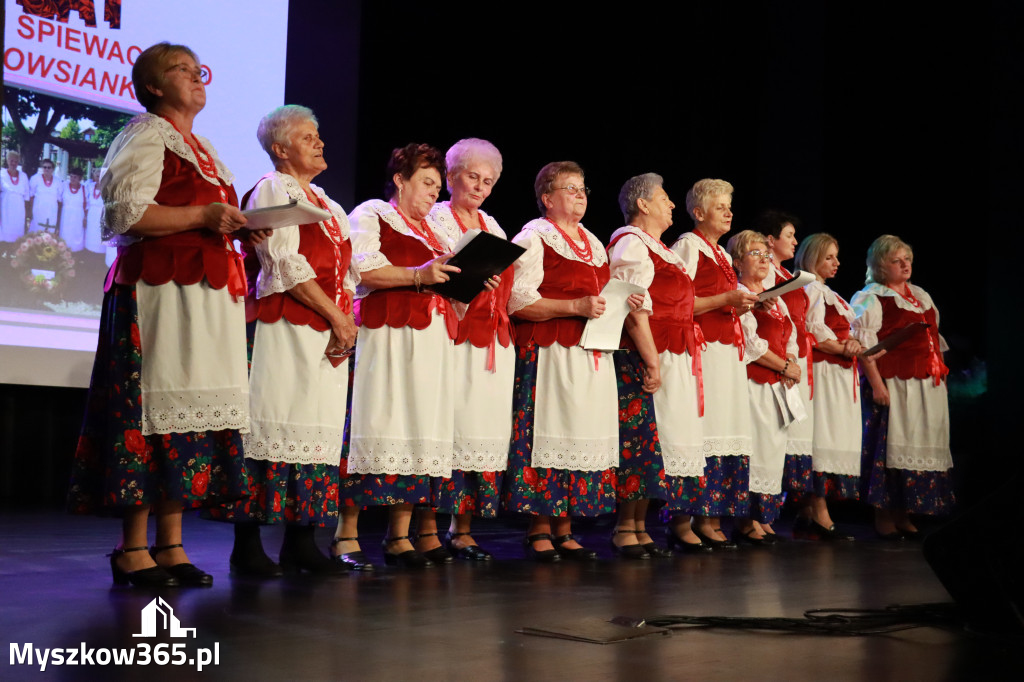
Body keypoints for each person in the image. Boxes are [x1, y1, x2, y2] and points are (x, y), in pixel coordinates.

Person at [68, 42, 253, 588]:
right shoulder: (145, 133)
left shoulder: (204, 148)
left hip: (205, 297)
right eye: (182, 70)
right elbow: (125, 215)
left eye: (200, 70)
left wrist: (244, 229)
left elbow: (209, 217)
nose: (197, 77)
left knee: (190, 415)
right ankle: (132, 548)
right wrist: (204, 214)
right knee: (151, 410)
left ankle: (171, 544)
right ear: (152, 85)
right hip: (159, 292)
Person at [210, 105, 357, 575]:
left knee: (314, 429)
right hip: (283, 326)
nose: (320, 142)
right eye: (308, 137)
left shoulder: (329, 204)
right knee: (270, 424)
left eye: (318, 135)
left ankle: (301, 541)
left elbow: (348, 270)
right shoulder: (274, 187)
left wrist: (345, 319)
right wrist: (337, 316)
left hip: (323, 331)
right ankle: (247, 545)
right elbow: (284, 263)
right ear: (280, 149)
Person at [331, 143, 459, 569]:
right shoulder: (373, 213)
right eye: (426, 182)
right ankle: (345, 535)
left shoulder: (436, 231)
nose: (434, 193)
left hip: (430, 342)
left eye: (438, 186)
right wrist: (418, 274)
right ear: (400, 181)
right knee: (375, 423)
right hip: (386, 336)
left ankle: (398, 535)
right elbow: (362, 270)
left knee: (417, 432)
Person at [505, 161, 631, 562]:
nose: (580, 195)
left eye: (582, 188)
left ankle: (565, 527)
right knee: (549, 435)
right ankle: (539, 528)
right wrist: (574, 306)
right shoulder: (534, 236)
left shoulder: (592, 242)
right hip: (550, 352)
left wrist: (623, 301)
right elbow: (517, 301)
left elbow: (600, 299)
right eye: (570, 188)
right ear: (547, 198)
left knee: (578, 435)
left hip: (588, 353)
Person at [421, 138, 512, 561]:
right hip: (453, 337)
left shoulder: (494, 227)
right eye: (472, 177)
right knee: (445, 429)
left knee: (478, 432)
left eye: (488, 181)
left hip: (491, 342)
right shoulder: (435, 218)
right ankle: (427, 528)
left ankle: (462, 529)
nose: (479, 187)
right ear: (451, 176)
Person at [607, 173, 705, 558]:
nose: (672, 205)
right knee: (638, 441)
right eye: (664, 198)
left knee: (654, 443)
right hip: (640, 353)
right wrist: (652, 361)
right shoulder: (631, 242)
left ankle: (640, 524)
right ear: (643, 204)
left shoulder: (659, 249)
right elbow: (633, 308)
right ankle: (624, 526)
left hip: (667, 352)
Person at [665, 179, 759, 549]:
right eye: (720, 207)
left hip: (726, 354)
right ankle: (683, 519)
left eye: (729, 206)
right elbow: (676, 301)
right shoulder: (688, 246)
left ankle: (710, 517)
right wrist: (724, 299)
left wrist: (738, 304)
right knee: (701, 433)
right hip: (702, 352)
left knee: (724, 430)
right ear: (698, 212)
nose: (728, 213)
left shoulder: (719, 252)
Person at [852, 235, 954, 538]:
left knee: (919, 444)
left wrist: (941, 377)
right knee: (891, 448)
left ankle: (904, 512)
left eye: (907, 259)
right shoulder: (871, 297)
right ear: (880, 265)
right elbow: (865, 348)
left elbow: (935, 341)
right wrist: (877, 385)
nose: (905, 265)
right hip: (895, 383)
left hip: (927, 383)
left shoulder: (920, 295)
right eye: (896, 261)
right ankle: (884, 515)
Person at [728, 230, 802, 544]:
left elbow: (790, 335)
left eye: (766, 255)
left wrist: (791, 360)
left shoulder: (774, 298)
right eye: (755, 254)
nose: (763, 260)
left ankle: (763, 517)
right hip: (753, 383)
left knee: (772, 451)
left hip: (776, 385)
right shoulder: (740, 294)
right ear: (737, 262)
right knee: (756, 449)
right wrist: (784, 366)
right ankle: (746, 520)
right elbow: (750, 344)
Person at [795, 233, 862, 539]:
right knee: (821, 435)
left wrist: (853, 343)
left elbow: (841, 330)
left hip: (838, 373)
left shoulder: (827, 291)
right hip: (822, 373)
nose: (836, 263)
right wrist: (843, 347)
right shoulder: (811, 288)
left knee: (831, 434)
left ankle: (807, 513)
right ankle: (819, 512)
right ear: (813, 259)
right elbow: (815, 331)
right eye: (828, 257)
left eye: (836, 257)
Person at [756, 209, 816, 536]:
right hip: (766, 361)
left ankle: (767, 515)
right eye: (789, 236)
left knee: (779, 440)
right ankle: (756, 517)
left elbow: (789, 323)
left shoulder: (785, 276)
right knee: (766, 439)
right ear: (770, 240)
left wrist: (791, 356)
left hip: (788, 359)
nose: (794, 242)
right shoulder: (766, 274)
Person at [1, 151, 30, 242]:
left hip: (19, 210)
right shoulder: (1, 174)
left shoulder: (24, 176)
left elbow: (27, 197)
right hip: (5, 209)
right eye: (11, 161)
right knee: (5, 233)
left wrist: (27, 215)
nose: (13, 163)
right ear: (7, 160)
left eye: (16, 161)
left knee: (17, 232)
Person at [29, 159, 62, 233]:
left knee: (49, 234)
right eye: (45, 167)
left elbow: (59, 201)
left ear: (53, 169)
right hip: (38, 211)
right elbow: (31, 196)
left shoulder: (58, 181)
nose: (46, 169)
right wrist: (30, 212)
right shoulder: (35, 178)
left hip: (52, 212)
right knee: (36, 233)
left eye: (49, 167)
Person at [59, 167, 87, 251]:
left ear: (80, 178)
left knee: (77, 233)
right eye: (71, 176)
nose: (72, 179)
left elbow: (87, 205)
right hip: (66, 215)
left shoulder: (84, 189)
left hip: (78, 216)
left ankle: (76, 251)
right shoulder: (64, 185)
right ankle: (64, 250)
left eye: (75, 177)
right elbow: (59, 200)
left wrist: (85, 217)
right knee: (65, 232)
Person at [85, 167, 106, 253]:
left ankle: (99, 255)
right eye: (97, 176)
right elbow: (86, 202)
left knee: (99, 236)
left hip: (102, 216)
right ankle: (89, 253)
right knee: (90, 235)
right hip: (91, 215)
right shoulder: (89, 186)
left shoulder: (107, 189)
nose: (99, 178)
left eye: (101, 176)